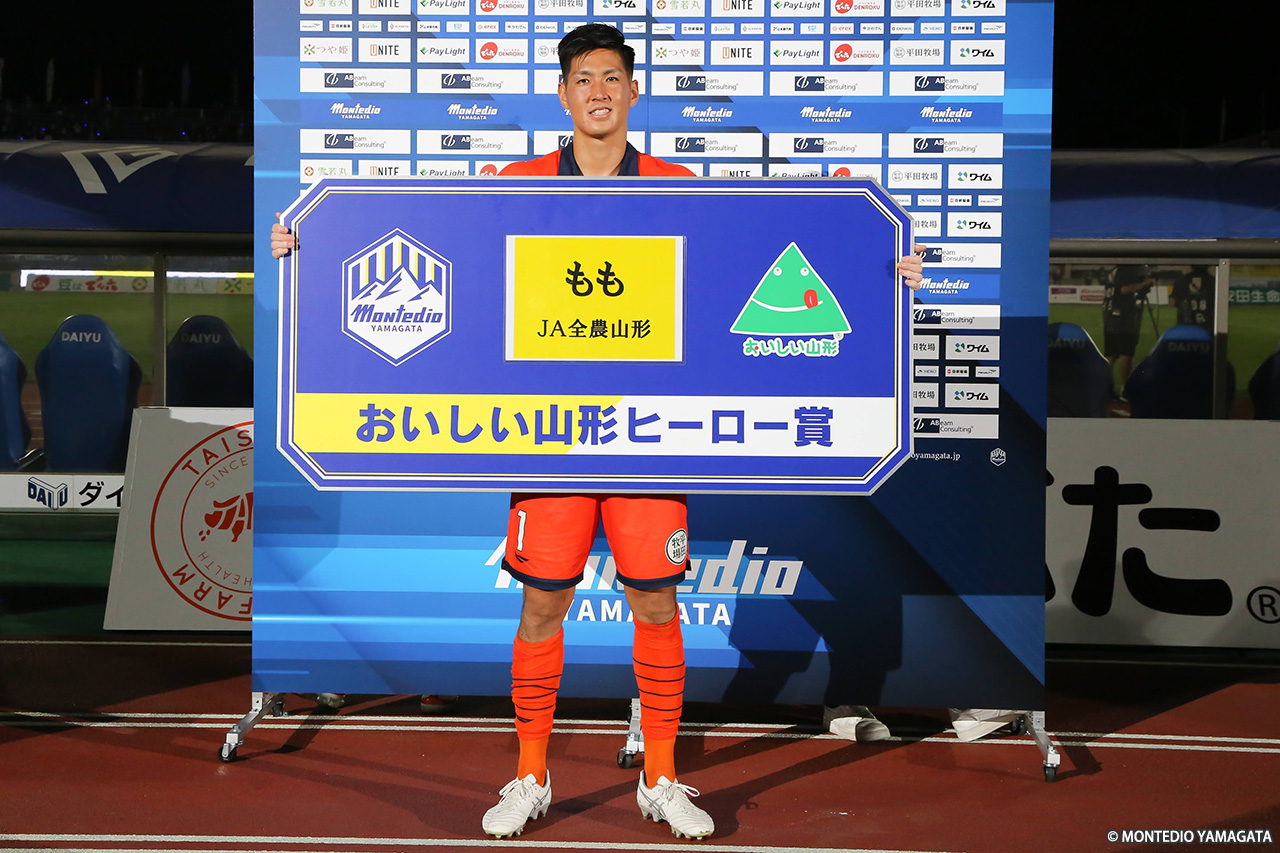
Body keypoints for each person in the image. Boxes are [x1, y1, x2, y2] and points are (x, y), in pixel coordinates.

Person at [272, 22, 926, 840]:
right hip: (547, 438)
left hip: (650, 436)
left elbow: (747, 269)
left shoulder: (679, 186)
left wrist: (876, 270)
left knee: (655, 600)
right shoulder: (513, 184)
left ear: (634, 92)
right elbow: (447, 254)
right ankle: (530, 774)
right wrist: (312, 247)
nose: (599, 92)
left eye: (612, 77)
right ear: (562, 94)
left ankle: (661, 777)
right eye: (584, 79)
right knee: (543, 604)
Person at [1102, 264, 1154, 391]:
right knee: (1126, 354)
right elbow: (1124, 289)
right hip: (1122, 317)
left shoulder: (1114, 270)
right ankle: (1127, 390)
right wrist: (1144, 284)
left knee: (1111, 355)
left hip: (1110, 315)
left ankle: (1106, 388)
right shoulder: (1126, 270)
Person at [1171, 264, 1215, 333]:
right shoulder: (1214, 281)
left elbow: (1173, 302)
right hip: (1207, 326)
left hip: (1185, 326)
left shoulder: (1181, 280)